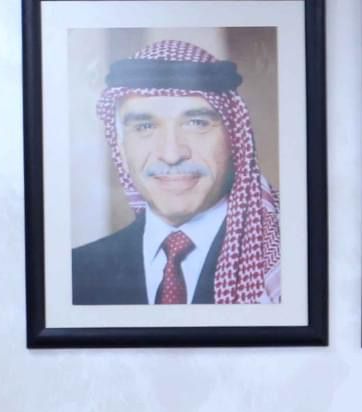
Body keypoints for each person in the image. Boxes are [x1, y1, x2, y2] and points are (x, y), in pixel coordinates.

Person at [72, 39, 281, 305]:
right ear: (122, 150)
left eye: (197, 123)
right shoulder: (76, 273)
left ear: (235, 140)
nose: (171, 154)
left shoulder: (284, 265)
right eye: (145, 127)